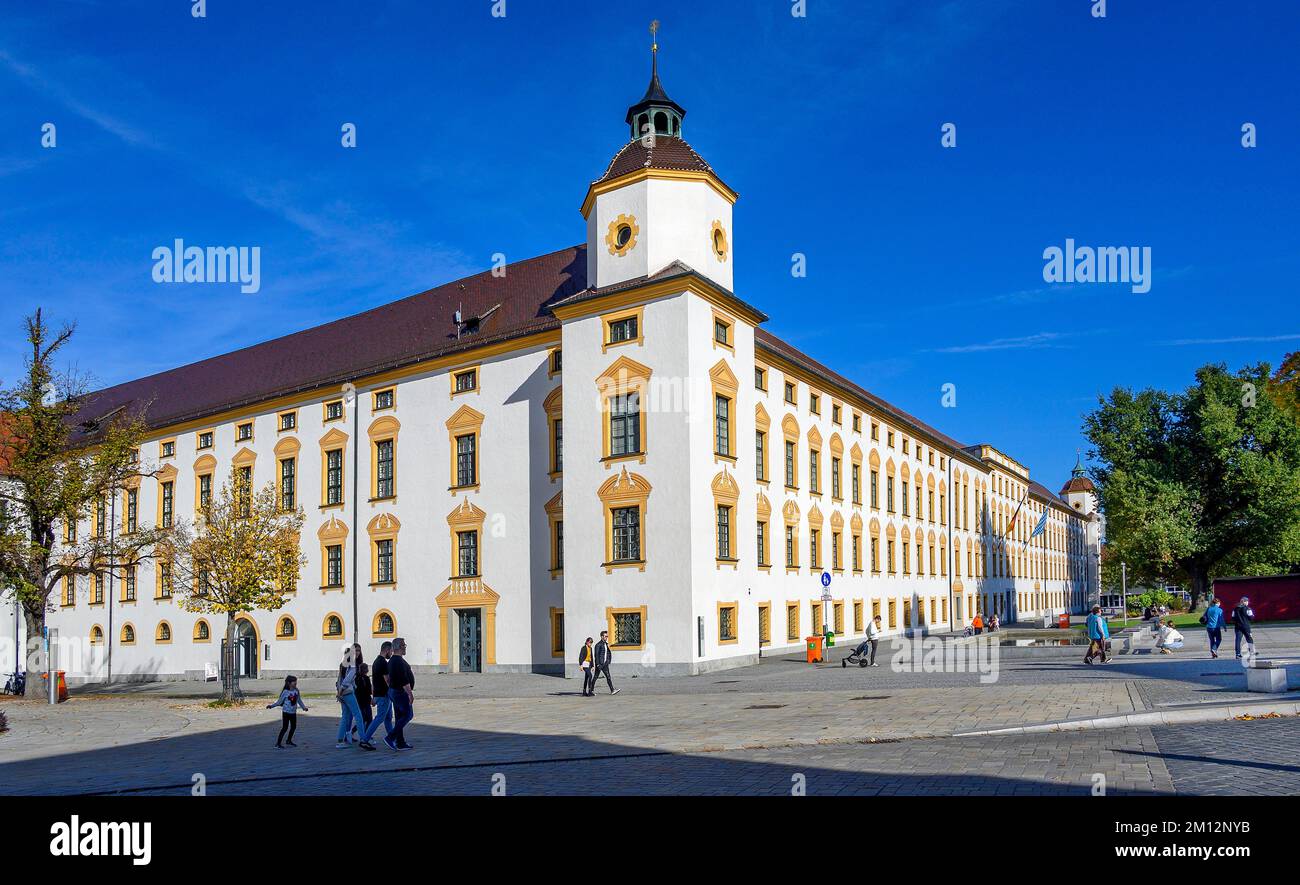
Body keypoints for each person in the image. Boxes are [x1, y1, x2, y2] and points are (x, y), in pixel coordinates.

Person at [361, 641, 394, 746]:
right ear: (387, 650)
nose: (392, 654)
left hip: (381, 695)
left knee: (388, 718)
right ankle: (365, 739)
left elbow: (374, 680)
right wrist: (394, 691)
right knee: (380, 718)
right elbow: (387, 680)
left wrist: (374, 696)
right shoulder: (383, 662)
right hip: (384, 695)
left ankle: (392, 738)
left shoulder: (376, 662)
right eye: (391, 651)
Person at [386, 637, 415, 750]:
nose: (405, 647)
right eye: (404, 645)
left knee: (399, 717)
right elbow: (403, 679)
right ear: (399, 647)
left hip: (395, 691)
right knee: (408, 715)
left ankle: (400, 742)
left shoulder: (393, 660)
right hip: (400, 692)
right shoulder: (397, 661)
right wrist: (410, 693)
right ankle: (391, 737)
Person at [335, 647, 367, 749]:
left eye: (358, 651)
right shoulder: (353, 665)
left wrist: (339, 691)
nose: (357, 653)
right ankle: (363, 739)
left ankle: (340, 740)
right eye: (355, 651)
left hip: (343, 693)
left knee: (345, 716)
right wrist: (340, 692)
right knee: (358, 715)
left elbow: (339, 680)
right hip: (347, 692)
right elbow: (346, 681)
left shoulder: (343, 664)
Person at [267, 675, 308, 748]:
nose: (295, 683)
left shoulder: (296, 691)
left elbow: (299, 700)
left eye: (296, 681)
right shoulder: (285, 692)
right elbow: (279, 702)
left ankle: (288, 740)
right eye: (294, 681)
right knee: (285, 728)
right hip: (286, 712)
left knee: (293, 727)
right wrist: (271, 706)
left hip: (293, 713)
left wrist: (303, 707)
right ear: (289, 683)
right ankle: (278, 744)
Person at [592, 630, 619, 695]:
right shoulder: (598, 645)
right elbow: (596, 655)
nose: (606, 637)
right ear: (602, 637)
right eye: (605, 636)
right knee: (595, 677)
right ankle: (591, 690)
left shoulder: (606, 644)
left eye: (607, 636)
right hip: (600, 664)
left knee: (608, 677)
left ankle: (612, 690)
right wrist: (598, 664)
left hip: (605, 664)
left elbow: (608, 653)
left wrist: (608, 660)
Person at [355, 661, 374, 737]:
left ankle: (365, 734)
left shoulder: (357, 678)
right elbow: (369, 691)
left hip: (360, 701)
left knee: (363, 719)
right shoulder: (366, 678)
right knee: (368, 719)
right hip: (365, 701)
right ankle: (366, 735)